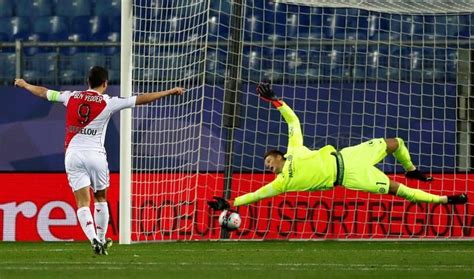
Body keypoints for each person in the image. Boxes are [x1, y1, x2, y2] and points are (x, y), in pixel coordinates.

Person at [208, 82, 467, 212]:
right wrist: (231, 203)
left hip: (348, 155)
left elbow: (293, 120)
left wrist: (275, 101)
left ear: (278, 156)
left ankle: (410, 168)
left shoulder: (294, 150)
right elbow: (257, 195)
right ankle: (446, 199)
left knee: (395, 143)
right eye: (267, 167)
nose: (268, 168)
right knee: (401, 191)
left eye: (269, 162)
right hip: (351, 176)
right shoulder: (281, 183)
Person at [14, 66, 185, 255]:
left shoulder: (70, 96)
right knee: (100, 198)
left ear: (88, 82)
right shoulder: (108, 101)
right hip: (96, 156)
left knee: (82, 202)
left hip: (73, 155)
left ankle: (93, 238)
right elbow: (139, 99)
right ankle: (102, 239)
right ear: (105, 83)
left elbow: (45, 93)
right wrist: (169, 91)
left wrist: (25, 84)